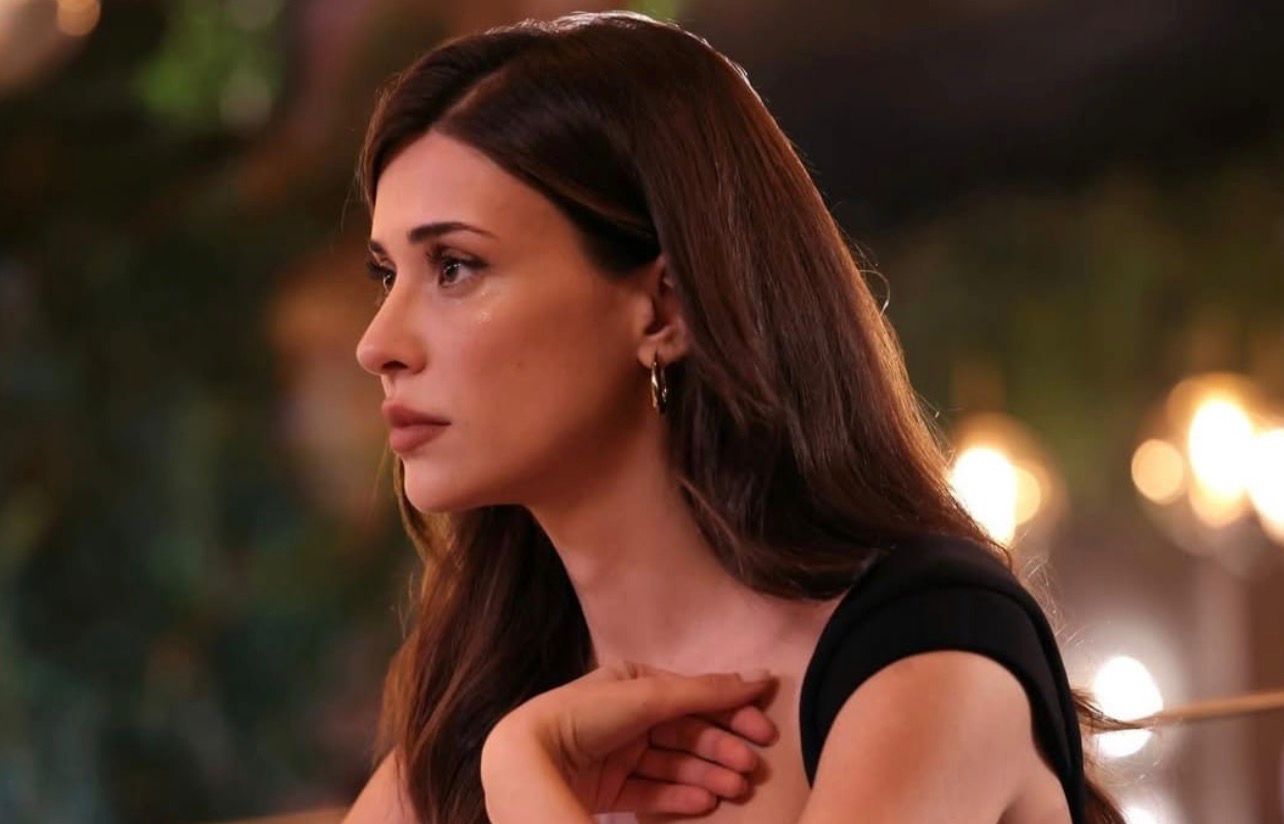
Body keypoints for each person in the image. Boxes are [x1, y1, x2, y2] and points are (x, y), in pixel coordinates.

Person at [341, 10, 1129, 824]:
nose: (378, 345)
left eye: (456, 267)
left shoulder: (927, 652)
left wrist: (524, 784)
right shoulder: (482, 709)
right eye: (387, 275)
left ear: (664, 308)